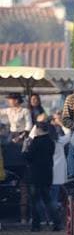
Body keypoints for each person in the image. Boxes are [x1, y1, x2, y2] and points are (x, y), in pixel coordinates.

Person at [23, 113, 61, 231]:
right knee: (48, 200)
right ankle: (57, 223)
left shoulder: (36, 142)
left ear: (39, 129)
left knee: (35, 201)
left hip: (35, 175)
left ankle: (36, 225)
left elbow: (28, 157)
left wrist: (25, 149)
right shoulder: (50, 142)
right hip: (47, 174)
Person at [0, 93, 32, 222]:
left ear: (16, 100)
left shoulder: (25, 111)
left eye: (10, 100)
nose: (9, 102)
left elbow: (29, 126)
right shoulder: (8, 110)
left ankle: (24, 216)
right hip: (11, 134)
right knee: (7, 144)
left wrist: (21, 136)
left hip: (21, 135)